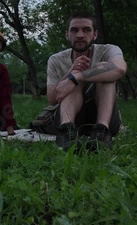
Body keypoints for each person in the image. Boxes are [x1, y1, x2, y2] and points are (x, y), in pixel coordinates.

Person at [46, 12, 127, 152]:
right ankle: (67, 134)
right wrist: (71, 73)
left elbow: (119, 69)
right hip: (72, 117)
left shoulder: (109, 50)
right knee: (74, 76)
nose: (80, 35)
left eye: (86, 30)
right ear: (67, 34)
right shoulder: (55, 59)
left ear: (95, 34)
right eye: (74, 30)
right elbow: (52, 99)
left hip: (105, 118)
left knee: (104, 71)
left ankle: (101, 133)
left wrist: (78, 77)